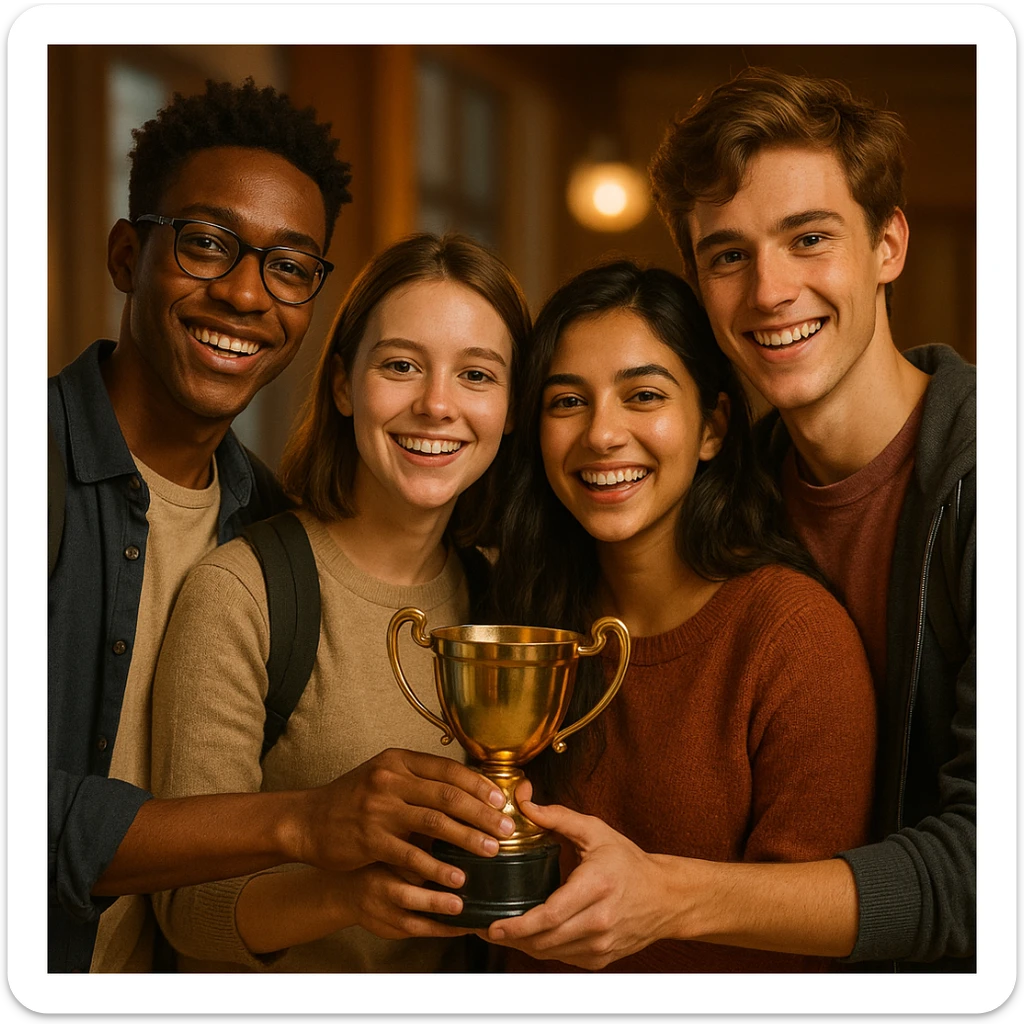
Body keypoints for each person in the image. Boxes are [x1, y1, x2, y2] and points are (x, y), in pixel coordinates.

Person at [48, 81, 511, 975]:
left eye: (291, 266)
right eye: (209, 244)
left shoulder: (258, 516)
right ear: (125, 254)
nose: (247, 294)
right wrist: (306, 820)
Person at [610, 65, 970, 973]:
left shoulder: (988, 485)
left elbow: (987, 875)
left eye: (809, 238)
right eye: (728, 255)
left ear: (888, 245)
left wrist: (666, 898)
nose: (770, 291)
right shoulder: (719, 501)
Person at [146, 231, 532, 972]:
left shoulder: (503, 604)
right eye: (400, 365)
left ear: (512, 408)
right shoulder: (243, 593)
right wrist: (348, 897)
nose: (437, 404)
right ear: (344, 385)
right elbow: (187, 909)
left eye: (477, 375)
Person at [478, 259, 877, 973]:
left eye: (643, 396)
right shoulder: (520, 619)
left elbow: (818, 945)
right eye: (567, 402)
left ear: (712, 428)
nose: (602, 434)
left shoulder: (791, 636)